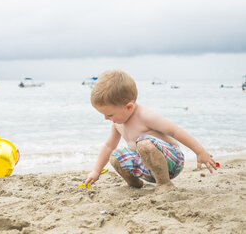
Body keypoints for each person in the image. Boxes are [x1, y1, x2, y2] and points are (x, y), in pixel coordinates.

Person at [84, 70, 217, 193]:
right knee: (115, 156)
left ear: (129, 107)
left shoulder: (145, 116)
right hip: (147, 167)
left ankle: (165, 183)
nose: (106, 118)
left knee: (143, 143)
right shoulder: (117, 123)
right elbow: (108, 146)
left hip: (171, 162)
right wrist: (96, 171)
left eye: (110, 114)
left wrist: (200, 152)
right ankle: (135, 183)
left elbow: (175, 131)